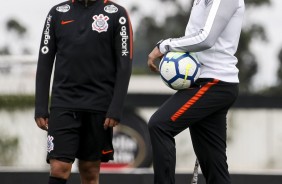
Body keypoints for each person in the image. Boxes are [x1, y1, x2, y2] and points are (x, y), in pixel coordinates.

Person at [34, 0, 133, 183]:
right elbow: (45, 60)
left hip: (99, 105)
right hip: (63, 102)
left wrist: (116, 107)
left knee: (89, 170)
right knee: (59, 167)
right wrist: (40, 105)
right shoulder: (57, 13)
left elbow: (125, 65)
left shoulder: (116, 13)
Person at [147, 0, 245, 183]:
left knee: (159, 125)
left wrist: (164, 46)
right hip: (205, 81)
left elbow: (206, 38)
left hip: (215, 82)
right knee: (215, 168)